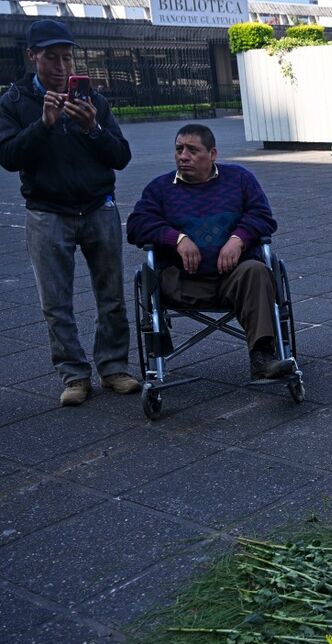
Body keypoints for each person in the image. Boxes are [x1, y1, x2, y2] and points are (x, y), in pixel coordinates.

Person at [0, 20, 139, 406]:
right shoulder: (14, 102)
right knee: (55, 302)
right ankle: (74, 375)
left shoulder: (93, 99)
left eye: (67, 57)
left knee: (110, 295)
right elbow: (9, 158)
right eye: (51, 57)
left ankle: (113, 368)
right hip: (47, 212)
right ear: (32, 57)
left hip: (97, 206)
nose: (61, 66)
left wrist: (94, 128)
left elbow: (121, 156)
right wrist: (42, 126)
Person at [126, 124, 294, 380]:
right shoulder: (159, 188)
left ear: (212, 154)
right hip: (183, 282)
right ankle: (158, 362)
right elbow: (137, 225)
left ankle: (262, 356)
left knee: (258, 270)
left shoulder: (239, 179)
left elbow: (262, 216)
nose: (183, 156)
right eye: (179, 149)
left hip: (233, 279)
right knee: (156, 276)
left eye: (192, 150)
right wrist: (177, 239)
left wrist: (238, 238)